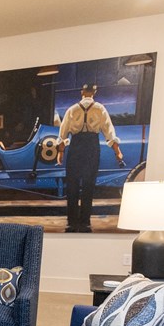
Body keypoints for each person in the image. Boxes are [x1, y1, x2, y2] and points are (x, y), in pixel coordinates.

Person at [56, 84, 125, 232]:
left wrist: (60, 152)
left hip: (76, 146)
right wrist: (117, 151)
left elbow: (63, 134)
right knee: (89, 185)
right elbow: (109, 132)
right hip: (92, 147)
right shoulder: (100, 109)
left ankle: (72, 221)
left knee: (72, 185)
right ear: (94, 92)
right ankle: (85, 221)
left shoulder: (72, 109)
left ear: (82, 92)